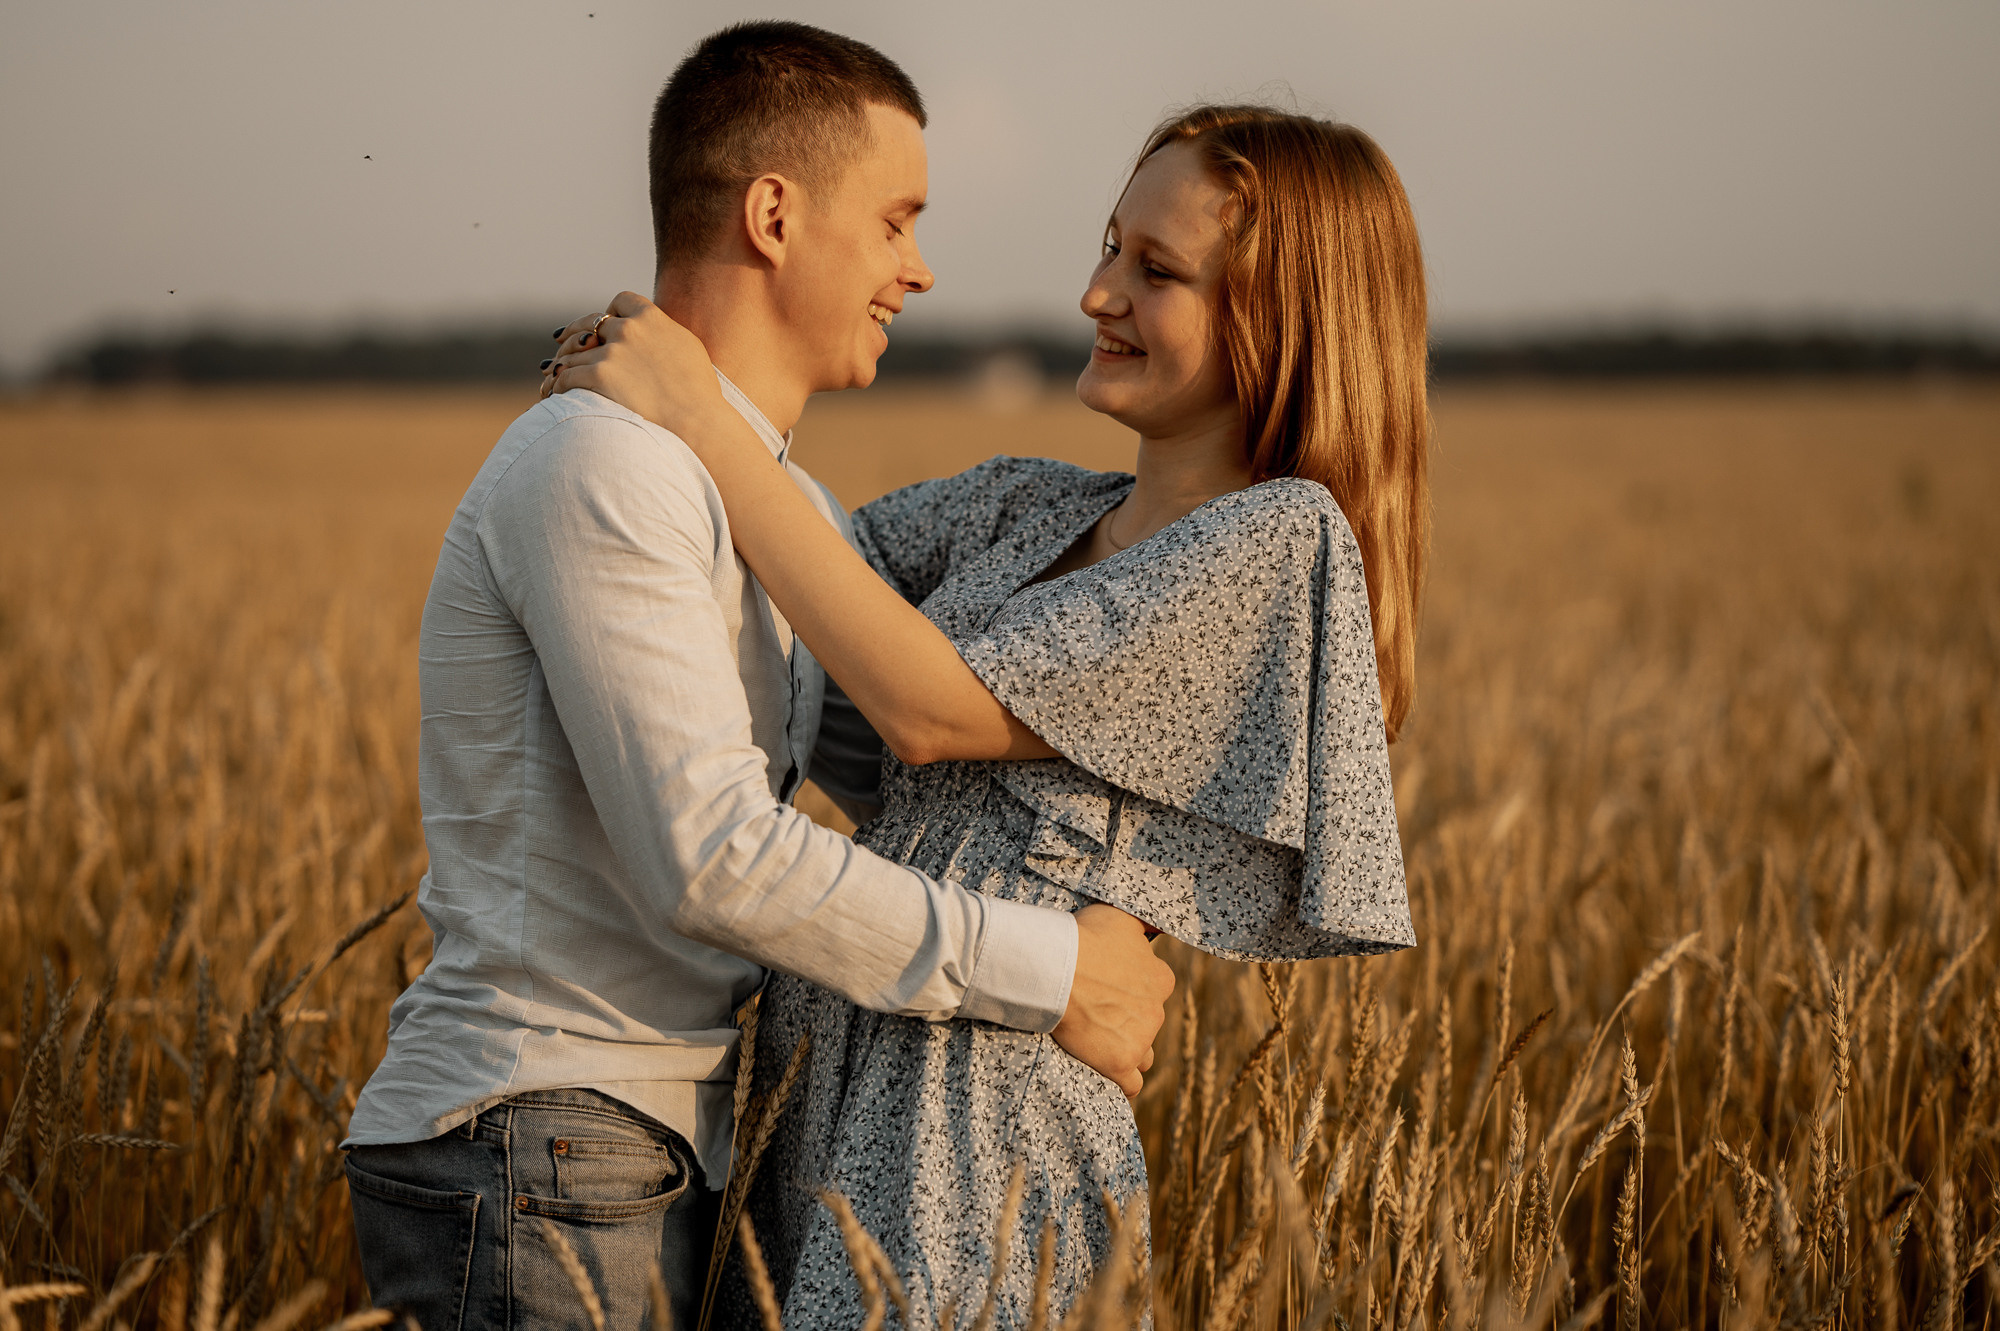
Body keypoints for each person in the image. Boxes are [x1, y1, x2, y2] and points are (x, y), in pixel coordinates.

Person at [341, 23, 1175, 1331]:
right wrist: (1052, 968)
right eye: (896, 220)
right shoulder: (603, 465)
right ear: (774, 215)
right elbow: (713, 859)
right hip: (536, 1141)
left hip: (640, 1150)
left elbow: (919, 776)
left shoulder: (781, 510)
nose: (919, 268)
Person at [546, 103, 1429, 1326]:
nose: (1097, 293)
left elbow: (924, 709)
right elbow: (790, 571)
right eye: (1109, 248)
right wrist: (652, 408)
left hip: (981, 1113)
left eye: (1156, 271)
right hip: (823, 1071)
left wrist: (692, 409)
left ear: (1284, 319)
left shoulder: (1274, 543)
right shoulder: (1023, 505)